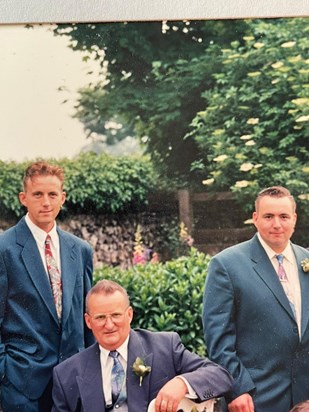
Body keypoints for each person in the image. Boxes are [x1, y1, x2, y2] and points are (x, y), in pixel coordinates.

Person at [51, 279, 233, 412]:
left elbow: (221, 376)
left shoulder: (165, 347)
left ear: (129, 315)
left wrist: (182, 383)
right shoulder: (66, 374)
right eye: (100, 317)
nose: (109, 324)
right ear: (88, 321)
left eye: (116, 315)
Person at [202, 186, 309, 412]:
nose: (277, 224)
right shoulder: (226, 265)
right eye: (268, 216)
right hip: (255, 399)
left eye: (284, 216)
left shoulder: (306, 260)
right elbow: (218, 341)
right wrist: (236, 389)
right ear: (255, 218)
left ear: (294, 219)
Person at [0, 161, 94, 412]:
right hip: (22, 384)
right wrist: (5, 373)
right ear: (23, 198)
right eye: (37, 194)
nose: (46, 202)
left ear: (63, 198)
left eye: (52, 194)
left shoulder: (80, 250)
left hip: (73, 381)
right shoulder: (4, 249)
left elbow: (88, 319)